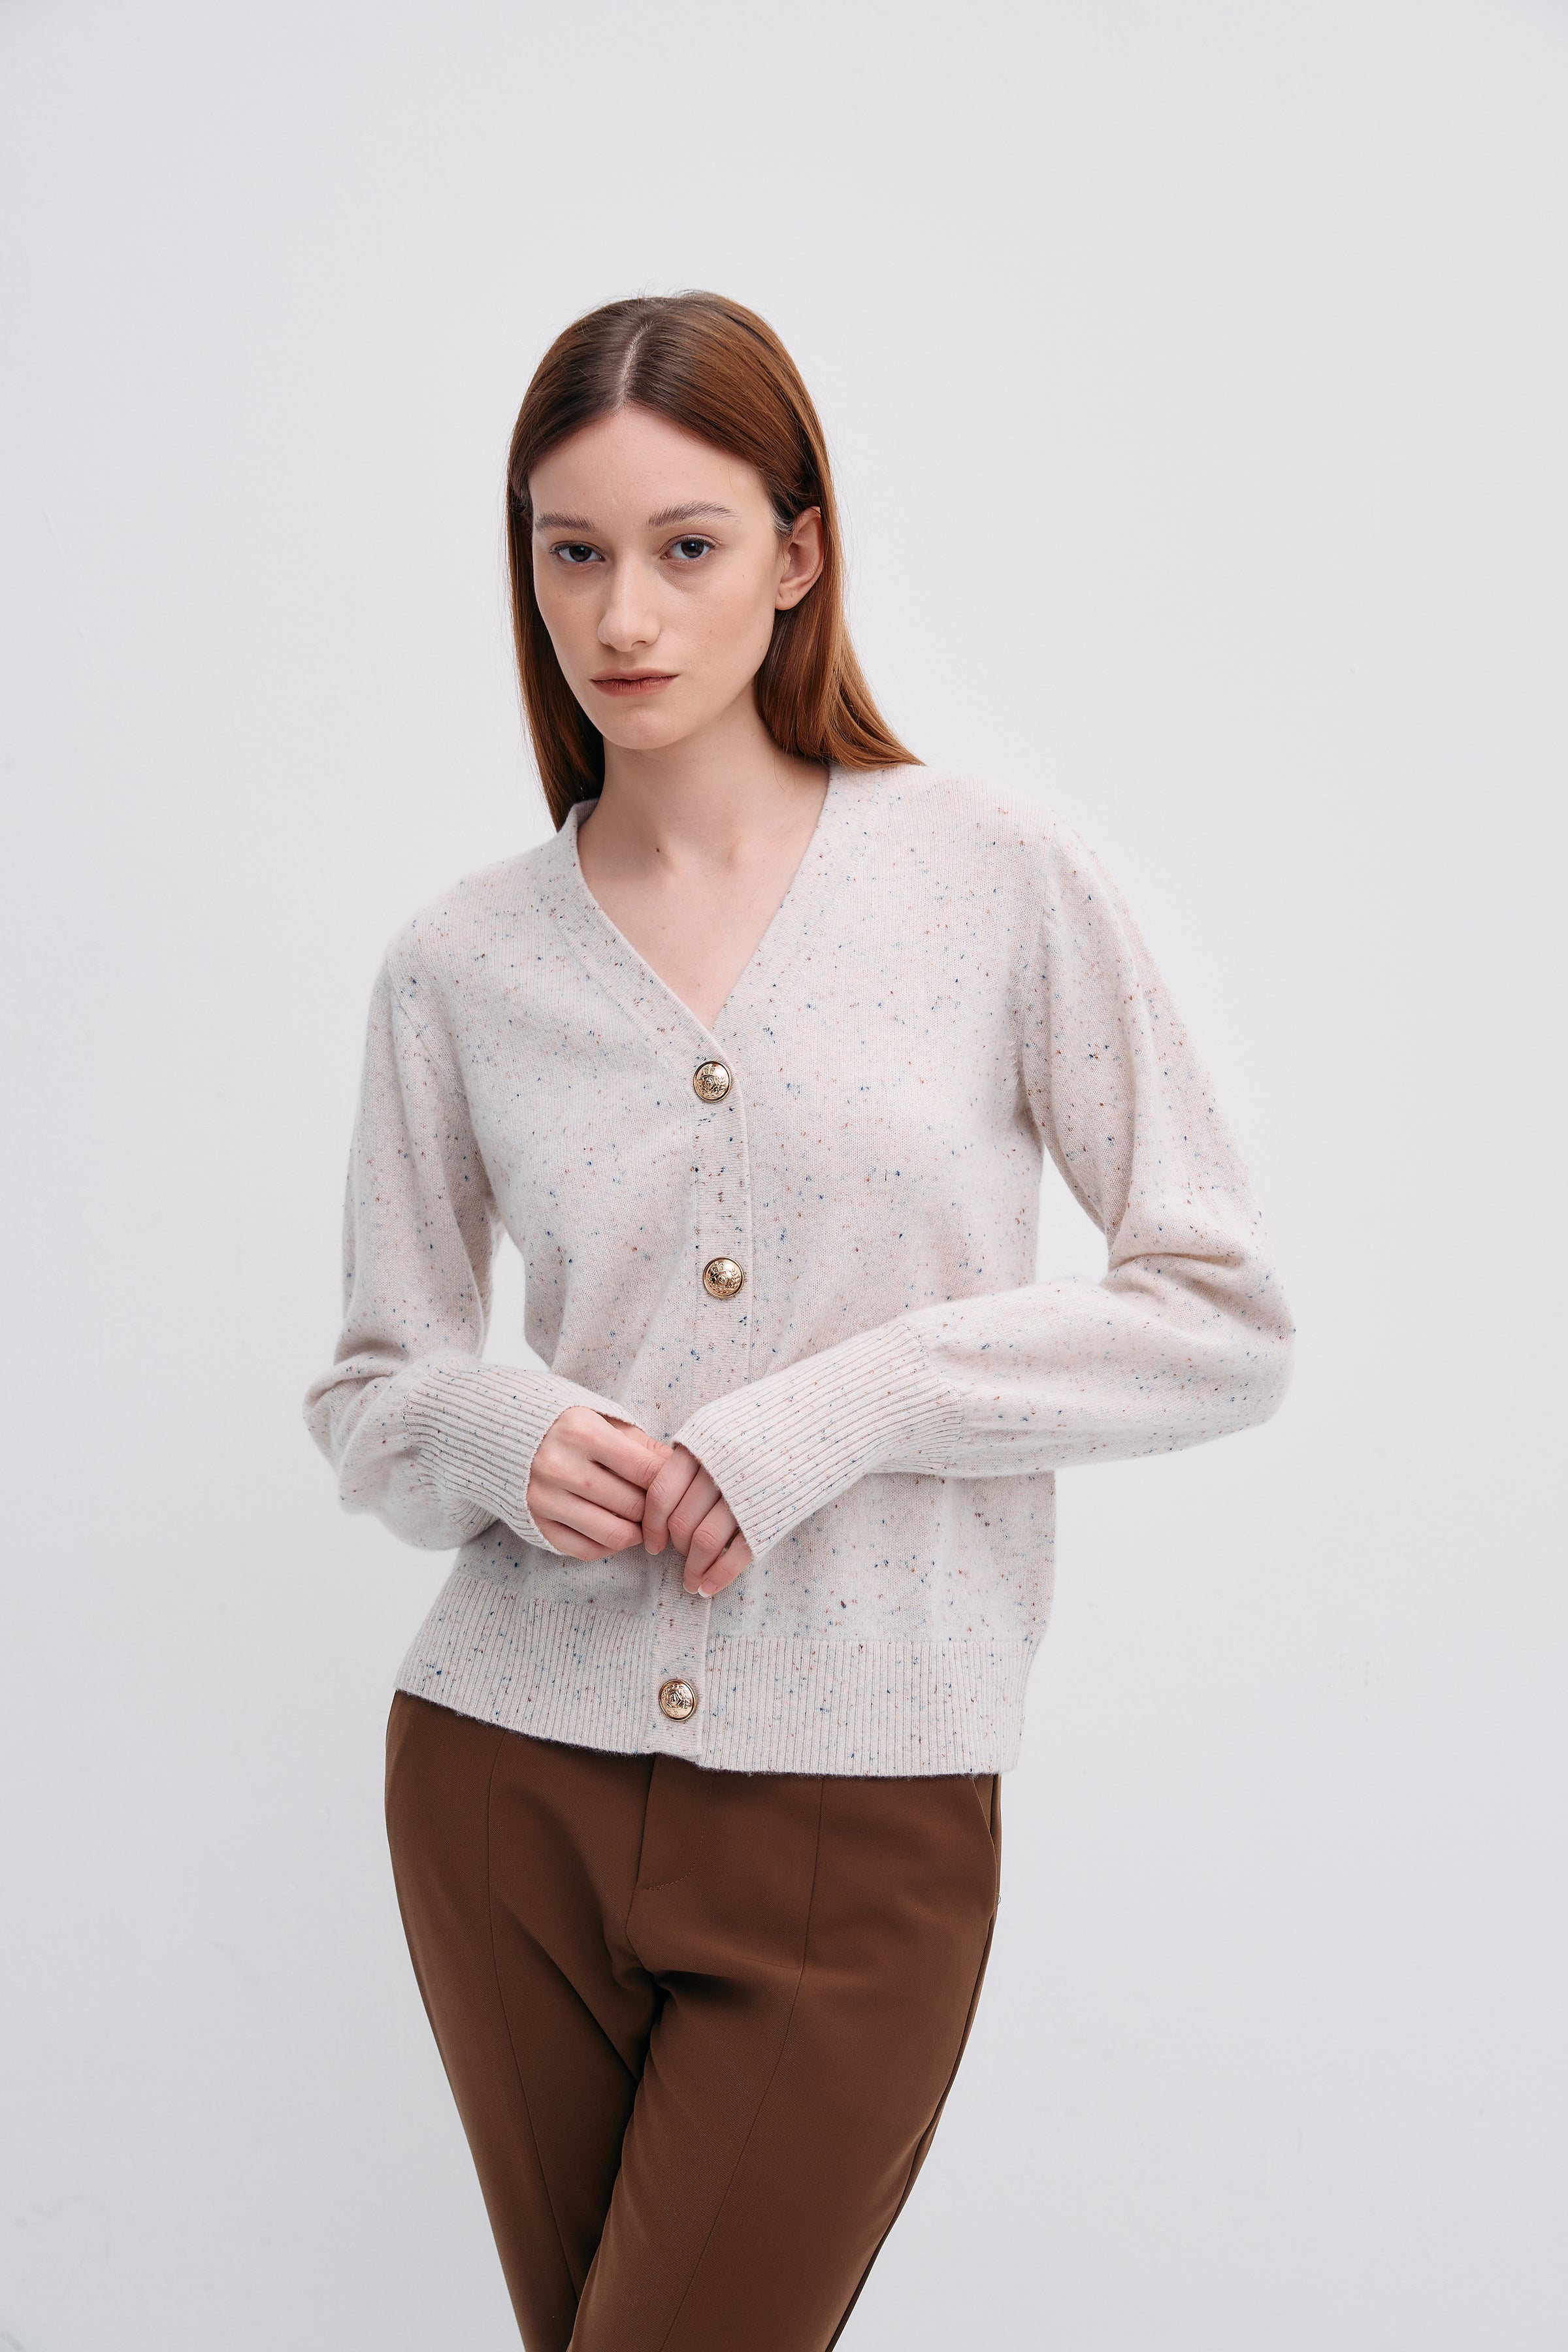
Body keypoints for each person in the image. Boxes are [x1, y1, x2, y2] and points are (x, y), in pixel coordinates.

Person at [303, 290, 1293, 2352]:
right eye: (572, 551)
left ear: (798, 553)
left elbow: (1219, 1318)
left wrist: (852, 1403)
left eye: (687, 546)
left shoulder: (993, 879)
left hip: (870, 1801)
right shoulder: (458, 965)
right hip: (503, 1782)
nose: (623, 613)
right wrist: (494, 1429)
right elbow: (374, 1386)